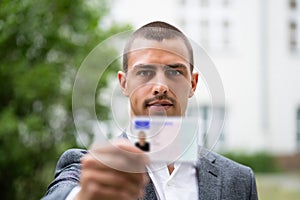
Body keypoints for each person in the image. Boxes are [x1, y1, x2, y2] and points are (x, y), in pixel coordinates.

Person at [42, 21, 258, 200]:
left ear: (193, 84)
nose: (160, 86)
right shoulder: (89, 169)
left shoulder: (239, 180)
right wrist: (83, 196)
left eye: (174, 72)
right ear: (124, 83)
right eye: (145, 72)